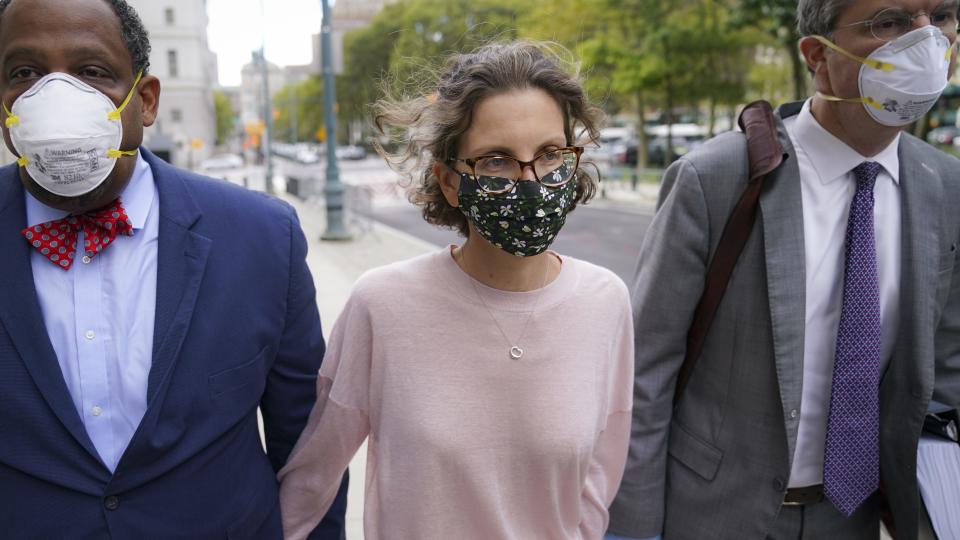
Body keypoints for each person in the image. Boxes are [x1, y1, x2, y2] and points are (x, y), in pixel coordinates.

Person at [606, 1, 960, 539]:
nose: (926, 41)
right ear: (818, 56)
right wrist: (634, 529)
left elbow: (945, 370)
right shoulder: (717, 177)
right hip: (712, 512)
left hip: (854, 516)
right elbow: (644, 373)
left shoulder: (945, 185)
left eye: (941, 16)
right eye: (888, 22)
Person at [0, 0, 347, 537]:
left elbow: (309, 448)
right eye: (25, 73)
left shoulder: (261, 236)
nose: (56, 97)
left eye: (92, 73)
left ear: (146, 100)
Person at [278, 41, 634, 540]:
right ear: (449, 182)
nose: (531, 181)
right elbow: (310, 479)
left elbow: (598, 481)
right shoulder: (382, 305)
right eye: (497, 161)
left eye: (551, 154)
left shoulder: (606, 301)